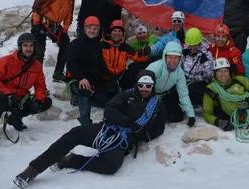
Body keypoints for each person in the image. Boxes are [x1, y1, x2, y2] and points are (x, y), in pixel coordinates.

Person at [13, 70, 166, 188]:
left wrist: (142, 136)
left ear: (153, 86)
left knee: (111, 167)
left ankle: (71, 160)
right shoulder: (126, 95)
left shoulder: (157, 105)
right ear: (136, 85)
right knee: (75, 134)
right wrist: (130, 124)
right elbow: (110, 110)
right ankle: (32, 170)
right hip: (106, 129)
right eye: (141, 85)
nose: (144, 89)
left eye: (148, 86)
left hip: (123, 141)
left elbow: (159, 128)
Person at [0, 33, 52, 149]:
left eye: (31, 46)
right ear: (20, 47)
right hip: (2, 95)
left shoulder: (36, 66)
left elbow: (40, 85)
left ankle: (15, 118)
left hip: (20, 97)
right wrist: (8, 94)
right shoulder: (5, 61)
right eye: (25, 45)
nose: (28, 49)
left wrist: (39, 100)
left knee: (45, 102)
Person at [66, 16, 118, 125]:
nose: (92, 30)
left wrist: (114, 78)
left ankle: (84, 99)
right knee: (85, 89)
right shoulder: (76, 44)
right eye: (89, 27)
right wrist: (81, 78)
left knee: (106, 100)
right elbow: (71, 65)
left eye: (95, 28)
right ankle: (85, 121)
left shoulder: (97, 46)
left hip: (93, 81)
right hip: (77, 79)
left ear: (98, 31)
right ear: (84, 29)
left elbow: (102, 66)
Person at [31, 0, 76, 82]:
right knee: (39, 50)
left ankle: (58, 73)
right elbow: (37, 6)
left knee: (66, 44)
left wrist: (65, 29)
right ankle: (37, 79)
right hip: (41, 21)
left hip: (54, 25)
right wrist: (36, 23)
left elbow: (69, 13)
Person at [147, 41, 196, 126]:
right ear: (165, 57)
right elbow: (142, 85)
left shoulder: (179, 72)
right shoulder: (155, 67)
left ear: (180, 58)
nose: (173, 61)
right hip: (150, 96)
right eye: (170, 57)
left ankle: (163, 112)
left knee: (177, 117)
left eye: (176, 58)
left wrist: (191, 115)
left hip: (164, 96)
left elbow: (183, 94)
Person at [101, 20, 150, 90]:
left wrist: (144, 53)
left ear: (122, 34)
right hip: (104, 77)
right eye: (115, 30)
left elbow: (137, 57)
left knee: (136, 68)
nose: (117, 33)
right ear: (110, 32)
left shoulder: (124, 47)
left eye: (119, 31)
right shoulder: (102, 46)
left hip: (120, 76)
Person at [180, 28, 214, 106]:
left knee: (193, 89)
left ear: (199, 43)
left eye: (195, 45)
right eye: (190, 45)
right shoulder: (185, 52)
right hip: (186, 81)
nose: (192, 48)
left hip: (200, 82)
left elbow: (211, 74)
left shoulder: (206, 54)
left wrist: (205, 62)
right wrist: (181, 57)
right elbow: (177, 68)